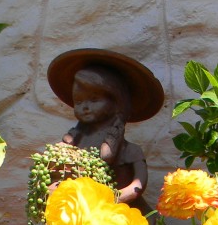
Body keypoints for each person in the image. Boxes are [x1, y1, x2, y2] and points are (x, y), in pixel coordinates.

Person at [46, 49, 164, 210]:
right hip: (84, 211)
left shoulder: (131, 151)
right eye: (79, 102)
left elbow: (137, 186)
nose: (85, 107)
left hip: (123, 215)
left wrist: (111, 199)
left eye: (94, 99)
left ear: (116, 102)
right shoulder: (73, 145)